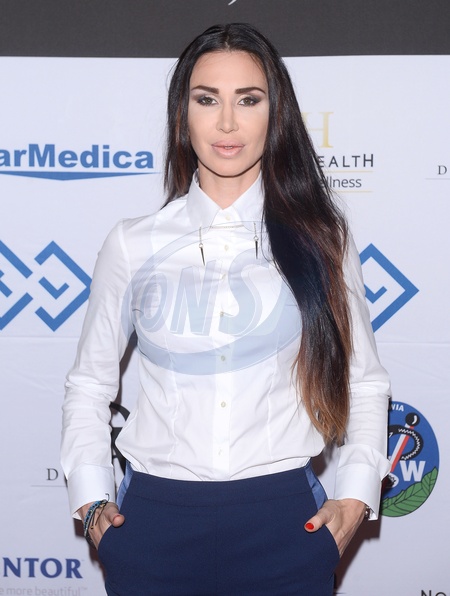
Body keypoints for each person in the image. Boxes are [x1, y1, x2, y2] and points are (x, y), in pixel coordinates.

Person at [61, 23, 390, 595]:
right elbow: (89, 383)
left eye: (249, 100)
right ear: (182, 115)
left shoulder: (323, 240)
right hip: (152, 523)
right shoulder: (132, 243)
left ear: (275, 114)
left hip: (286, 522)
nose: (228, 123)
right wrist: (91, 500)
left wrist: (357, 497)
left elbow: (365, 382)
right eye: (207, 100)